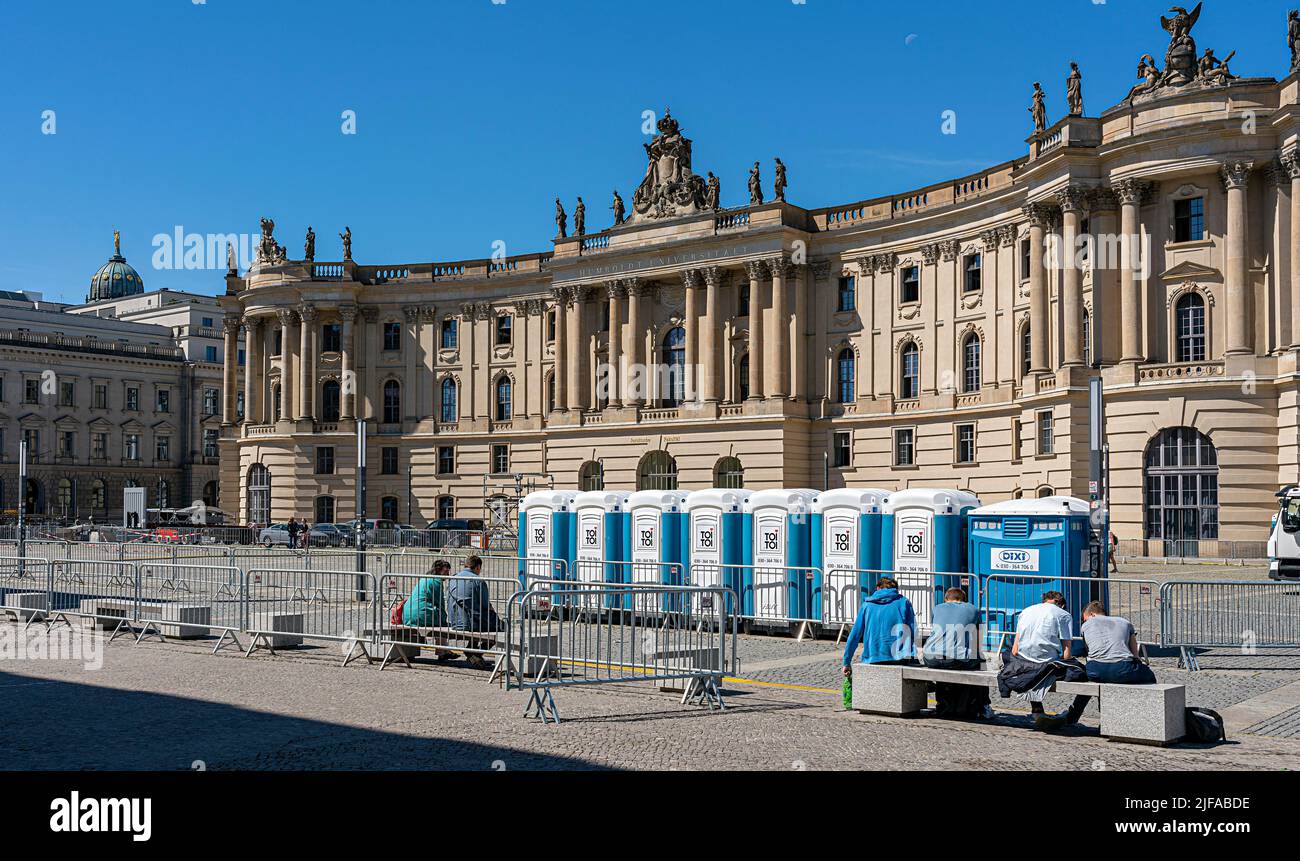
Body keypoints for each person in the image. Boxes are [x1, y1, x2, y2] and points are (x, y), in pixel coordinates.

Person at [997, 591, 1089, 730]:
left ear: (1044, 600)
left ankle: (1037, 709)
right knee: (1083, 673)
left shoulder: (1026, 611)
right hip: (1046, 665)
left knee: (1022, 660)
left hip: (1022, 662)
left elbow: (1015, 650)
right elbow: (1066, 653)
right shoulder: (1063, 615)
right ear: (1062, 605)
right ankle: (1072, 716)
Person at [922, 586, 990, 719]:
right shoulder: (973, 609)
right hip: (957, 659)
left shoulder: (937, 608)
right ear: (963, 600)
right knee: (981, 663)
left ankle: (943, 704)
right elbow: (977, 638)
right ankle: (984, 707)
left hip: (930, 657)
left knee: (943, 662)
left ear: (946, 598)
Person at [841, 577, 917, 678]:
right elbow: (912, 632)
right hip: (899, 658)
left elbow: (854, 635)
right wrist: (913, 656)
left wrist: (846, 662)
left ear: (878, 588)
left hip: (872, 657)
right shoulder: (904, 602)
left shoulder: (867, 605)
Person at [1080, 602, 1156, 685]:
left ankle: (1080, 699)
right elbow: (1135, 655)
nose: (1084, 622)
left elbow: (1088, 651)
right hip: (1123, 669)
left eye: (1084, 619)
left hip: (1095, 670)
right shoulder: (1125, 622)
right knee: (1150, 676)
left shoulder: (1085, 626)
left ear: (1092, 614)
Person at [447, 554, 502, 669]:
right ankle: (476, 652)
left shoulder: (454, 578)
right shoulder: (478, 581)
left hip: (455, 622)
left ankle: (472, 647)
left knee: (476, 616)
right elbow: (485, 605)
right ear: (477, 567)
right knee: (500, 627)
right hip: (472, 623)